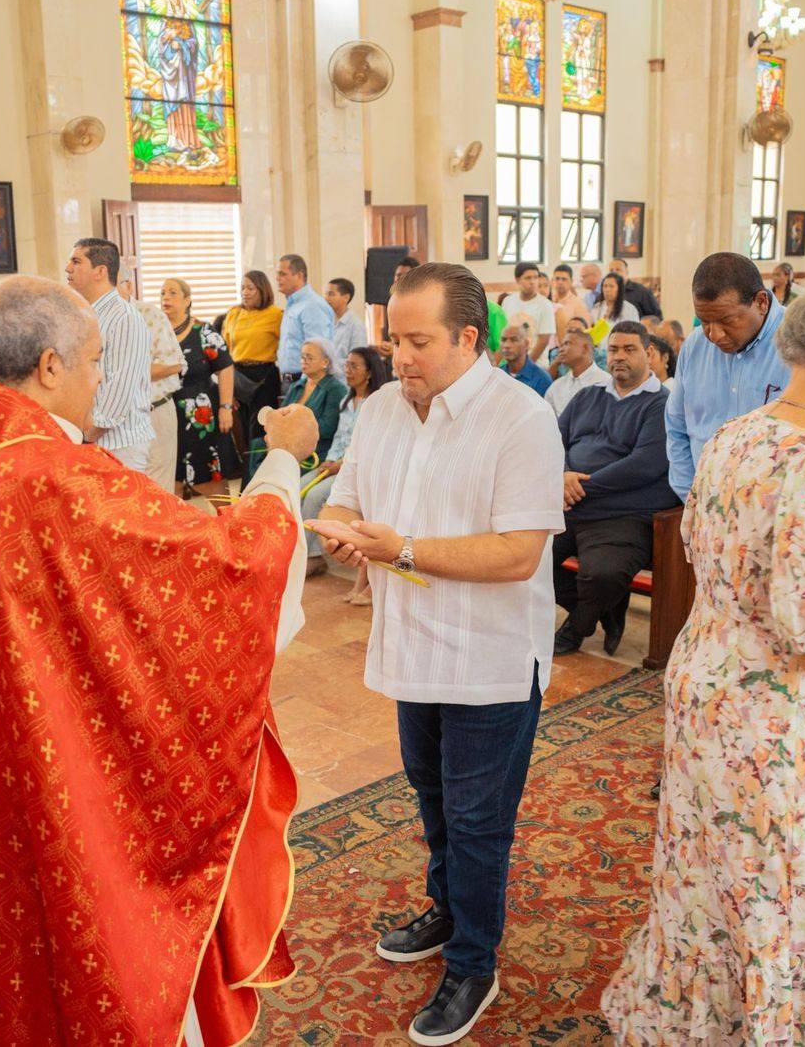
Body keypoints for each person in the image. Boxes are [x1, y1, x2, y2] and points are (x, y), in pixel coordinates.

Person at [0, 274, 321, 1047]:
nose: (99, 381)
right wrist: (280, 466)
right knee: (91, 946)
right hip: (56, 784)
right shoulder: (50, 474)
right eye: (92, 363)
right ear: (48, 367)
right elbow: (221, 580)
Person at [602, 275, 805, 1045]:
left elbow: (720, 562)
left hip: (701, 678)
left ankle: (686, 1015)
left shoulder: (735, 437)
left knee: (700, 866)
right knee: (767, 874)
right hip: (764, 714)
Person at [308, 262, 564, 1045]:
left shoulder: (521, 417)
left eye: (419, 342)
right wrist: (350, 533)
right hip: (411, 643)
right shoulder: (385, 407)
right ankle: (449, 903)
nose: (401, 358)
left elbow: (519, 553)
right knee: (430, 792)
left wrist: (405, 548)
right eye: (395, 341)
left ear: (467, 338)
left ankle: (474, 961)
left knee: (480, 816)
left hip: (488, 654)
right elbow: (348, 495)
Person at [553, 320, 677, 657]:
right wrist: (562, 476)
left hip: (621, 514)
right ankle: (604, 609)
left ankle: (576, 627)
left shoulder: (661, 404)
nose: (619, 356)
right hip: (569, 505)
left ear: (649, 354)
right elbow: (553, 440)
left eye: (629, 349)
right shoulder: (587, 396)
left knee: (603, 574)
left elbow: (645, 464)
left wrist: (580, 486)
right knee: (529, 558)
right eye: (613, 349)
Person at [666, 252, 792, 501]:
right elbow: (677, 426)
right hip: (705, 508)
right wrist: (691, 496)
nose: (713, 334)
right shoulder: (694, 346)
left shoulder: (802, 343)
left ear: (761, 302)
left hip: (777, 514)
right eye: (704, 321)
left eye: (727, 320)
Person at [300, 345, 390, 599]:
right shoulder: (346, 400)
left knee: (317, 496)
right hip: (334, 463)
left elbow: (368, 445)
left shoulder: (377, 402)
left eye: (354, 366)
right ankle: (302, 552)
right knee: (298, 490)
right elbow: (340, 437)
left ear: (370, 372)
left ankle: (315, 556)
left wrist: (340, 465)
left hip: (356, 468)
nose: (348, 371)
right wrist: (328, 462)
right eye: (347, 365)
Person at [65, 238, 154, 471]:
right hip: (88, 440)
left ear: (100, 271)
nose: (68, 268)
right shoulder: (83, 313)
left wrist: (86, 435)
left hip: (118, 443)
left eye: (76, 261)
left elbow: (119, 388)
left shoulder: (124, 318)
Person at [111, 264, 185, 492]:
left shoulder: (149, 314)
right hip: (117, 418)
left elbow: (174, 365)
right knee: (125, 487)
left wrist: (124, 371)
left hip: (155, 409)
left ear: (128, 286)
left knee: (158, 488)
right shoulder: (96, 317)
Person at [163, 278, 240, 496]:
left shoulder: (203, 331)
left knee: (207, 480)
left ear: (187, 300)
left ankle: (227, 523)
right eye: (162, 293)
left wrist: (225, 407)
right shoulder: (158, 332)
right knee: (172, 480)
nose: (165, 298)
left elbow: (225, 367)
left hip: (202, 415)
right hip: (169, 414)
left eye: (172, 293)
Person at [265, 336, 346, 497]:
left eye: (309, 357)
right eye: (302, 357)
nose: (304, 361)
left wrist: (293, 430)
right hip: (287, 448)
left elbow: (328, 427)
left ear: (325, 362)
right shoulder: (297, 386)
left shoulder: (335, 389)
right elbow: (280, 414)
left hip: (316, 453)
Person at [222, 269, 284, 453]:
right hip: (237, 375)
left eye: (250, 288)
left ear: (262, 289)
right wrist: (228, 391)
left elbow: (287, 346)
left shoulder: (275, 314)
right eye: (242, 288)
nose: (245, 292)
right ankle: (246, 473)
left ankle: (255, 476)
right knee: (241, 432)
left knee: (259, 428)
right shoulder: (234, 313)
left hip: (264, 376)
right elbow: (224, 351)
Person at [275, 253, 334, 393]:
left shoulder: (311, 305)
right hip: (289, 382)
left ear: (299, 276)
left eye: (283, 274)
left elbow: (317, 351)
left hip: (305, 382)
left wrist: (306, 386)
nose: (277, 279)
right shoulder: (292, 304)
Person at [544, 319, 609, 415]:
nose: (561, 350)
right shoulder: (556, 387)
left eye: (567, 344)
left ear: (585, 348)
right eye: (561, 345)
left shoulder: (605, 383)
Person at [503, 262, 557, 361]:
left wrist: (527, 364)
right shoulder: (508, 301)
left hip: (537, 364)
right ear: (518, 280)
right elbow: (504, 332)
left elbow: (544, 340)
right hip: (510, 363)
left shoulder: (545, 305)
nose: (532, 282)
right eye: (528, 278)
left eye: (535, 277)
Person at [496, 323, 551, 396]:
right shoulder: (497, 375)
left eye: (514, 340)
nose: (507, 345)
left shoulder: (542, 379)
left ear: (527, 344)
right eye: (503, 340)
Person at [326, 276, 369, 356]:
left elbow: (358, 359)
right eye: (326, 294)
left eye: (331, 294)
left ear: (346, 297)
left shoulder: (356, 325)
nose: (326, 298)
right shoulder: (327, 321)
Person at [551, 263, 593, 336]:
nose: (560, 282)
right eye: (557, 279)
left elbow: (585, 331)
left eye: (564, 279)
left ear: (571, 281)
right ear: (552, 281)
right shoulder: (548, 301)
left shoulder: (578, 304)